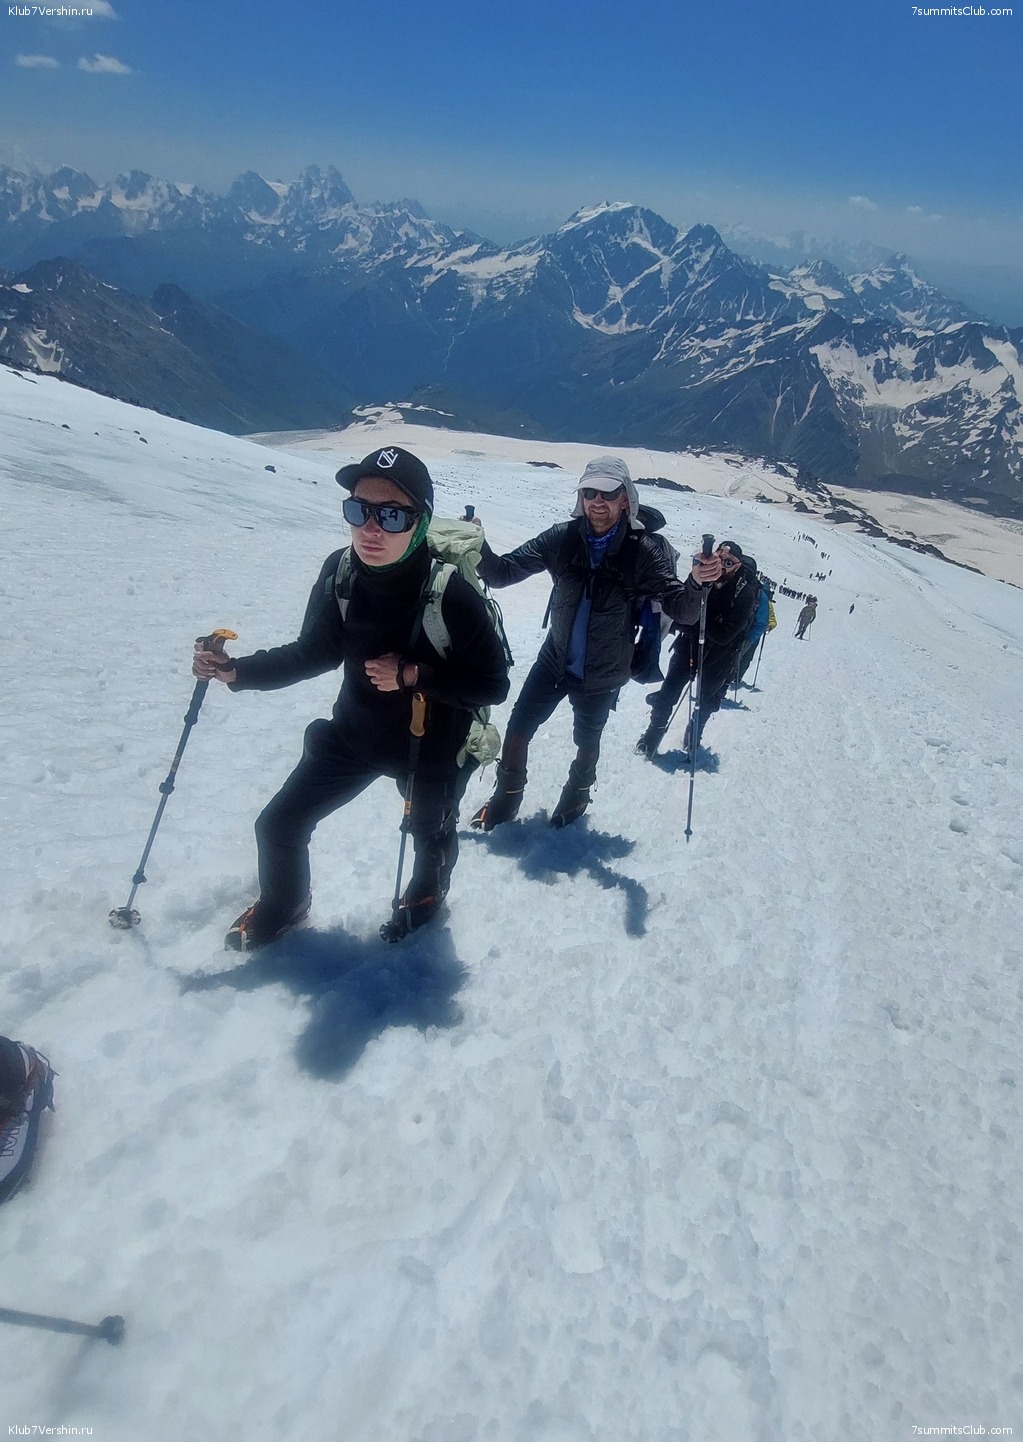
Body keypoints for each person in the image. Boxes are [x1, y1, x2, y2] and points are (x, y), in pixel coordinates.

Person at [192, 446, 510, 948]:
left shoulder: (451, 593)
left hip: (431, 747)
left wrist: (412, 675)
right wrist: (236, 671)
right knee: (278, 824)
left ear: (421, 522)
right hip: (355, 733)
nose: (371, 529)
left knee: (429, 830)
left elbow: (493, 685)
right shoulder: (341, 571)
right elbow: (314, 651)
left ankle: (428, 892)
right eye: (359, 510)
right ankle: (284, 904)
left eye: (391, 515)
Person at [470, 456, 721, 829]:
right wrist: (476, 544)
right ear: (581, 497)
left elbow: (682, 610)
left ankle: (578, 792)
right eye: (589, 492)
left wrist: (698, 582)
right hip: (554, 659)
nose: (597, 501)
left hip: (604, 671)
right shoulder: (562, 538)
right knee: (520, 727)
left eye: (608, 492)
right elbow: (503, 573)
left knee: (586, 741)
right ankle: (506, 798)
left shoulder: (642, 550)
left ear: (626, 499)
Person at [636, 541, 758, 759]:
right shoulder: (701, 578)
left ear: (738, 566)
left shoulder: (745, 593)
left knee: (707, 699)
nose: (723, 565)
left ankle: (695, 731)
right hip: (689, 646)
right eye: (720, 558)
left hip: (720, 657)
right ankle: (652, 735)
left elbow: (725, 636)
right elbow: (680, 614)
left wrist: (697, 623)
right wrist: (700, 624)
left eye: (729, 562)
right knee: (669, 691)